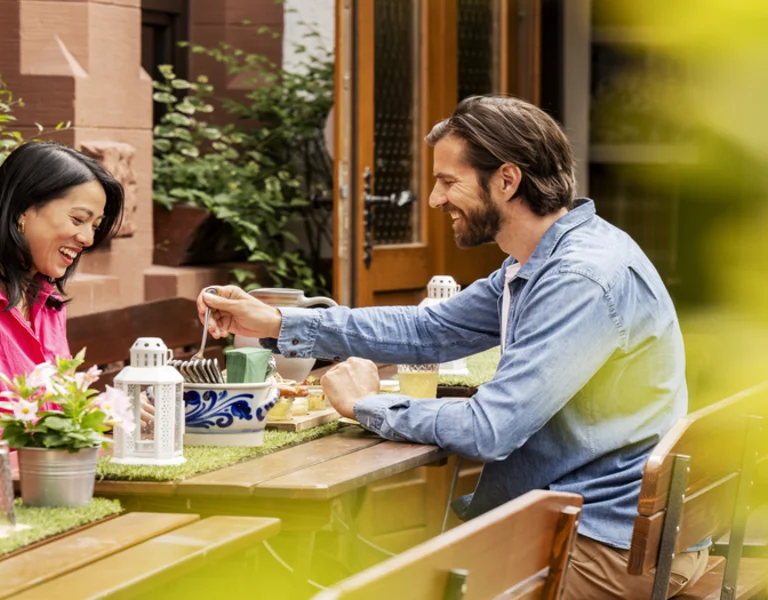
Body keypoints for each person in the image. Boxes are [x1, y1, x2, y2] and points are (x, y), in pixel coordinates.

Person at [196, 96, 708, 598]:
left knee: (372, 587)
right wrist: (279, 319)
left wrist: (365, 405)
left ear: (507, 180)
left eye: (447, 181)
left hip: (603, 547)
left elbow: (490, 429)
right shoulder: (542, 260)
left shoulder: (578, 278)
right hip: (600, 527)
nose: (436, 199)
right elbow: (428, 329)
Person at [0, 142, 124, 385]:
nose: (88, 239)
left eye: (95, 227)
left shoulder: (50, 305)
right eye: (78, 219)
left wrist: (104, 414)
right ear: (22, 209)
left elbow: (54, 407)